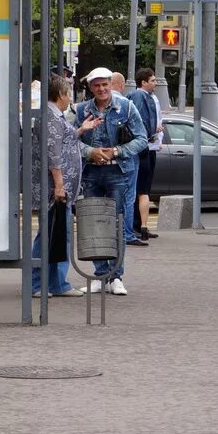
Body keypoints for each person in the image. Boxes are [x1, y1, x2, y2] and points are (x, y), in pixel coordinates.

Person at [74, 67, 148, 295]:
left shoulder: (125, 107)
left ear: (110, 84)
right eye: (96, 85)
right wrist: (90, 152)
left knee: (116, 223)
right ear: (90, 87)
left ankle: (116, 276)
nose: (101, 89)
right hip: (91, 173)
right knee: (94, 224)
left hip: (118, 172)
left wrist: (116, 151)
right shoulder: (81, 110)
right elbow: (71, 139)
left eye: (104, 84)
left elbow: (142, 139)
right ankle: (100, 275)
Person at [31, 74, 99, 298]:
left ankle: (54, 283)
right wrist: (59, 185)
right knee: (52, 234)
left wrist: (81, 129)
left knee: (57, 234)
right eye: (68, 92)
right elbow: (53, 154)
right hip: (55, 190)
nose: (70, 96)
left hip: (60, 189)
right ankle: (41, 284)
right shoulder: (50, 117)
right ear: (60, 94)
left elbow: (63, 139)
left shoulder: (54, 116)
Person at [107, 71, 146, 247]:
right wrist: (119, 151)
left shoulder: (91, 105)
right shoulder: (126, 105)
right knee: (127, 198)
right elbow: (141, 138)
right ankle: (127, 234)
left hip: (100, 162)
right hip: (126, 160)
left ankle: (107, 234)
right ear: (121, 85)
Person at [129, 68, 163, 241]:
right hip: (143, 148)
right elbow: (141, 122)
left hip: (151, 147)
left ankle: (141, 225)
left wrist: (157, 138)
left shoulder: (150, 97)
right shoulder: (139, 96)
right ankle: (136, 226)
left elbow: (156, 119)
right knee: (140, 189)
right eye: (153, 80)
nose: (156, 83)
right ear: (143, 82)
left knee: (145, 189)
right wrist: (152, 132)